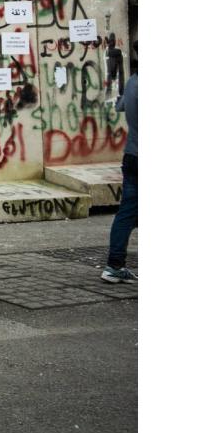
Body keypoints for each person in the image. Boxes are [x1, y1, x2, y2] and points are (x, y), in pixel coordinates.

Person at [102, 72, 137, 283]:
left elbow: (120, 105)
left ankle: (114, 265)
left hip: (132, 154)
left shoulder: (133, 81)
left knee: (126, 213)